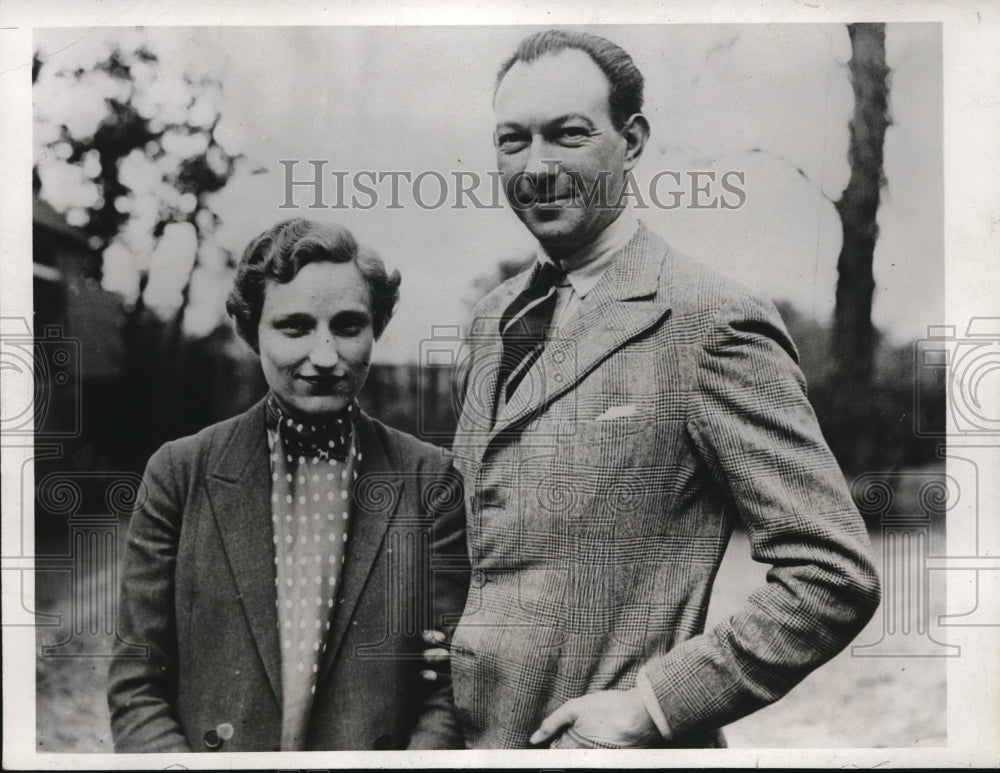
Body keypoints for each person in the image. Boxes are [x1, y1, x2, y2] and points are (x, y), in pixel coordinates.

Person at [444, 29, 881, 749]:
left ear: (634, 139)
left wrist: (652, 705)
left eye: (569, 135)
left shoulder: (709, 319)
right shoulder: (493, 319)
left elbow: (832, 572)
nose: (537, 167)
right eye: (512, 140)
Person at [108, 219, 469, 751]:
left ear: (377, 328)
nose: (324, 357)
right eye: (294, 327)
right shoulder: (179, 473)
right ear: (251, 331)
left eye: (347, 327)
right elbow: (137, 685)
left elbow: (453, 685)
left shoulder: (429, 479)